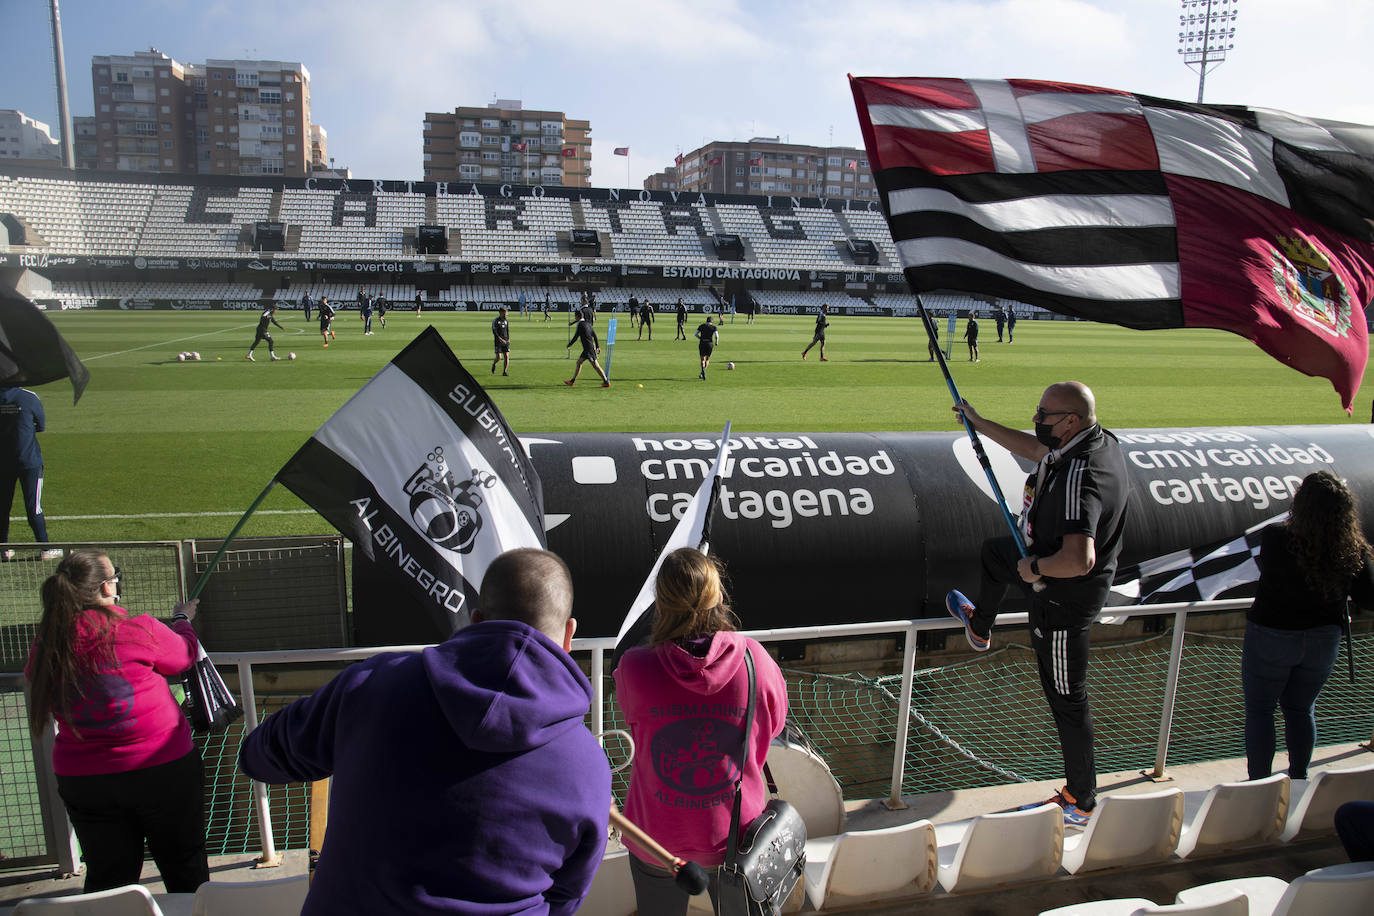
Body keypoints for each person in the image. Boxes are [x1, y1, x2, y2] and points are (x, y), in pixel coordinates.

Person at [239, 548, 612, 915]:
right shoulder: (589, 767)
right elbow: (565, 898)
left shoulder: (371, 683)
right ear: (569, 635)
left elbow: (260, 756)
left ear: (476, 619)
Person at [946, 382, 1129, 826]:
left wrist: (1037, 570)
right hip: (1047, 575)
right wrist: (981, 423)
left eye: (1044, 414)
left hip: (1063, 601)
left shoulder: (1079, 476)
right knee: (995, 554)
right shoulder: (1091, 443)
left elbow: (1079, 559)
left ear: (1071, 421)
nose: (1036, 419)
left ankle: (1080, 801)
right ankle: (981, 626)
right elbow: (1036, 449)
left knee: (1067, 698)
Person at [614, 547, 788, 916]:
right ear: (719, 596)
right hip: (739, 840)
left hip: (655, 837)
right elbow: (774, 726)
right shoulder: (755, 660)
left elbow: (634, 720)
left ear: (659, 604)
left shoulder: (633, 667)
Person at [25, 550, 208, 893]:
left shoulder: (48, 643)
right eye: (116, 576)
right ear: (107, 588)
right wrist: (182, 619)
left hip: (85, 780)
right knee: (185, 870)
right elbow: (184, 655)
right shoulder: (139, 629)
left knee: (109, 879)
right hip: (163, 771)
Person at [1243, 471, 1373, 781]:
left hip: (1272, 636)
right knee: (1301, 710)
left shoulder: (1276, 537)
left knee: (1261, 711)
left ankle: (1260, 785)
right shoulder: (1352, 549)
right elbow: (1369, 596)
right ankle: (1298, 778)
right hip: (1322, 641)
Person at [0, 386, 61, 559]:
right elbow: (41, 425)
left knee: (3, 506)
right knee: (33, 506)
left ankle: (3, 548)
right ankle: (45, 548)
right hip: (29, 460)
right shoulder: (28, 397)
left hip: (3, 461)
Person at [565, 314, 610, 388]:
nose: (575, 318)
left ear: (578, 317)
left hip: (588, 349)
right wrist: (598, 346)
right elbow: (595, 336)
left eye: (575, 316)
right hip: (588, 348)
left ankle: (606, 382)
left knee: (596, 365)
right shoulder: (588, 324)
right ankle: (572, 381)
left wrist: (570, 344)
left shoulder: (580, 325)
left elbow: (576, 336)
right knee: (579, 362)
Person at [695, 315, 719, 380]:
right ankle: (703, 372)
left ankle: (702, 370)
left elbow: (695, 334)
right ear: (712, 321)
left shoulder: (702, 326)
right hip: (709, 344)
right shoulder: (714, 327)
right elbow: (716, 336)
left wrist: (700, 338)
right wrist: (716, 342)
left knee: (702, 359)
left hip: (702, 343)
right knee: (707, 359)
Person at [491, 306, 511, 376]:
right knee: (499, 357)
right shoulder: (496, 321)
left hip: (505, 341)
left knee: (506, 356)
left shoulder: (506, 321)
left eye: (506, 313)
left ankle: (504, 372)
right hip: (498, 341)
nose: (506, 315)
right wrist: (500, 339)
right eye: (504, 314)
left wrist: (508, 338)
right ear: (500, 313)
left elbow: (507, 330)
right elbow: (494, 331)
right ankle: (494, 364)